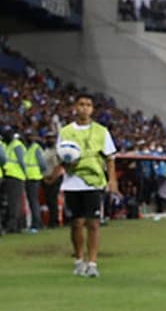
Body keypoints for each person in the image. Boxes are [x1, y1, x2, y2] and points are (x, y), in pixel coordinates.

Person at [47, 93, 118, 277]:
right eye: (81, 104)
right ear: (75, 107)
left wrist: (112, 181)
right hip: (72, 182)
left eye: (88, 105)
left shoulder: (101, 131)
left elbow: (110, 158)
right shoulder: (66, 132)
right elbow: (60, 156)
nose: (84, 108)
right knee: (76, 223)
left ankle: (93, 263)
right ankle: (79, 260)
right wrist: (62, 166)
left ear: (92, 109)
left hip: (93, 182)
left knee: (93, 223)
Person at [1, 127, 28, 234]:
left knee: (14, 203)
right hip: (13, 175)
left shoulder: (16, 145)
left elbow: (21, 161)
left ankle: (14, 226)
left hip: (15, 175)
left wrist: (25, 173)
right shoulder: (10, 145)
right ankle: (16, 225)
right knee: (14, 202)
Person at [23, 129, 47, 232]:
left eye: (31, 136)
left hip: (34, 176)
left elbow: (42, 164)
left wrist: (39, 173)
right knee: (31, 201)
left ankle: (36, 223)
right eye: (28, 136)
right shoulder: (26, 148)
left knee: (33, 201)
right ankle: (34, 222)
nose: (29, 138)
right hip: (28, 176)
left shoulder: (36, 148)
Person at [40, 130, 64, 228]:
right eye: (48, 138)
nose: (50, 140)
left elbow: (57, 167)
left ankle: (54, 221)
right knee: (49, 201)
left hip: (54, 178)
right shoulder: (46, 150)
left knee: (53, 200)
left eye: (52, 138)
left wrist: (52, 179)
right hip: (46, 177)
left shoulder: (56, 151)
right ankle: (51, 220)